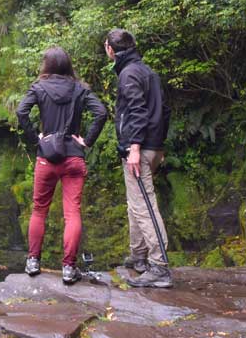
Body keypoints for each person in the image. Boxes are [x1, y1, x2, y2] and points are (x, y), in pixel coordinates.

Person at [17, 47, 107, 285]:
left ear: (46, 65)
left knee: (39, 210)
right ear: (68, 65)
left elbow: (21, 111)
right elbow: (101, 112)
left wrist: (36, 139)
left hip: (47, 157)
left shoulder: (38, 87)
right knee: (72, 213)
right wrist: (86, 141)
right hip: (73, 157)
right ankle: (69, 268)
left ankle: (33, 261)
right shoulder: (80, 89)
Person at [104, 29, 173, 288]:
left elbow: (137, 111)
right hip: (152, 147)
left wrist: (134, 147)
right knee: (136, 203)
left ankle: (159, 267)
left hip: (139, 149)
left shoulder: (129, 74)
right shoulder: (147, 71)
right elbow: (164, 110)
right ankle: (139, 256)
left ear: (111, 49)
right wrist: (159, 145)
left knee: (144, 206)